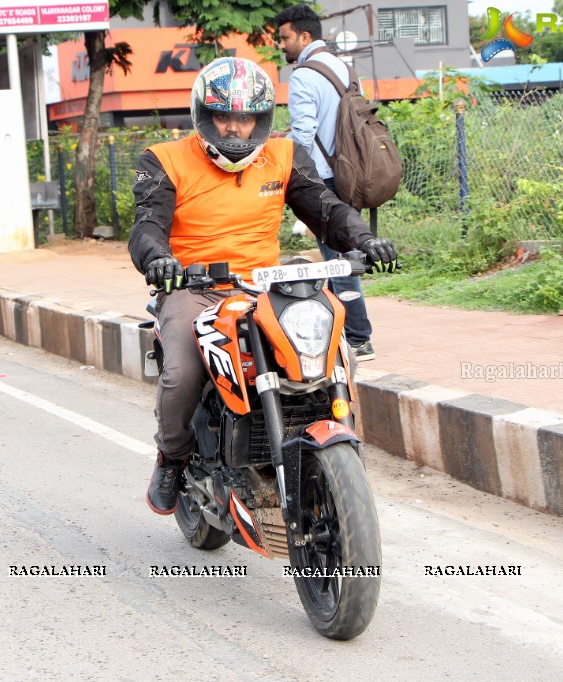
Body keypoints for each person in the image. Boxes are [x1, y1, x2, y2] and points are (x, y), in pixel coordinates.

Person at [128, 56, 397, 515]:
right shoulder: (164, 159)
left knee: (336, 353)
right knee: (182, 374)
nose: (235, 128)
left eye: (246, 116)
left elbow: (326, 209)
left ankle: (334, 457)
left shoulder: (285, 153)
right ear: (204, 115)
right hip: (195, 286)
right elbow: (147, 226)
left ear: (262, 117)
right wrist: (160, 262)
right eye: (225, 116)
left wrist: (364, 238)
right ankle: (172, 455)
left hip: (263, 287)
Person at [274, 4, 376, 362]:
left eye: (285, 38)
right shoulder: (343, 67)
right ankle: (345, 333)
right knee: (340, 253)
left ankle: (359, 338)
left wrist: (284, 164)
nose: (281, 45)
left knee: (337, 259)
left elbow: (304, 132)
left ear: (304, 36)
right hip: (352, 172)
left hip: (324, 179)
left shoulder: (303, 75)